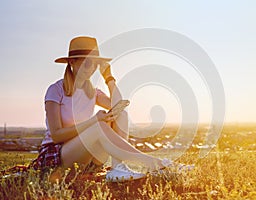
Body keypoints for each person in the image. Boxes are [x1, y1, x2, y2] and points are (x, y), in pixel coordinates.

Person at [32, 36, 175, 182]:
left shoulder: (92, 92)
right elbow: (57, 135)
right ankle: (154, 163)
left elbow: (119, 106)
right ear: (71, 62)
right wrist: (94, 121)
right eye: (87, 63)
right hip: (57, 156)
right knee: (99, 126)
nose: (92, 69)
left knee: (121, 115)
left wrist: (109, 78)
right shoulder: (55, 90)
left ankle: (117, 168)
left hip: (85, 158)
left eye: (95, 64)